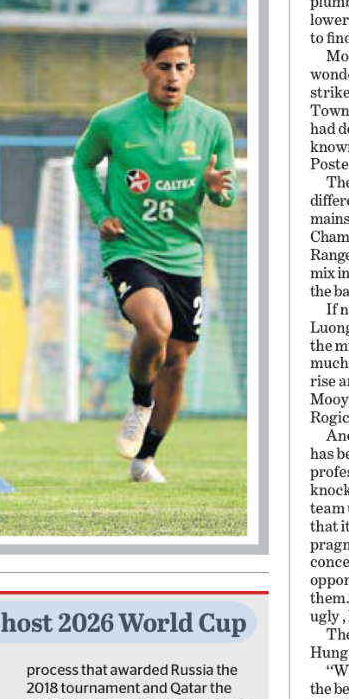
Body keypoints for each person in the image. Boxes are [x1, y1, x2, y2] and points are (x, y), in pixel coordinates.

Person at [72, 28, 237, 483]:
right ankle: (140, 400)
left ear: (192, 72)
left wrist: (216, 189)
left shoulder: (213, 124)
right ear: (146, 68)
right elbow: (82, 163)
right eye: (164, 67)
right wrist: (101, 212)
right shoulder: (113, 121)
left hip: (183, 256)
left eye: (181, 67)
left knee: (178, 361)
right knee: (155, 326)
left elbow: (226, 195)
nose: (172, 76)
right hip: (129, 247)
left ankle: (145, 458)